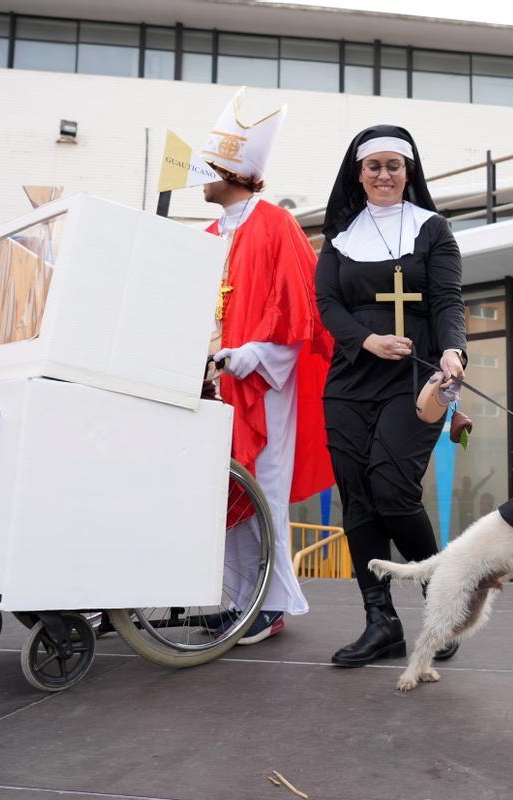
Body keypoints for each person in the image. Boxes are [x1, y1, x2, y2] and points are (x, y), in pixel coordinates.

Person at [315, 125, 467, 667]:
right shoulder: (338, 236)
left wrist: (453, 351)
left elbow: (449, 300)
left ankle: (442, 608)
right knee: (358, 499)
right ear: (358, 173)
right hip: (351, 381)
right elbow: (328, 305)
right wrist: (367, 339)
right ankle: (381, 622)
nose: (383, 175)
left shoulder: (432, 229)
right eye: (373, 166)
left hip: (416, 378)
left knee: (392, 488)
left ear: (409, 172)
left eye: (393, 166)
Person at [201, 88, 335, 644]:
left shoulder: (276, 225)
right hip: (211, 387)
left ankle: (272, 603)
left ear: (232, 171)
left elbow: (303, 310)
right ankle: (236, 597)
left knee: (264, 491)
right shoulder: (208, 235)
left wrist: (252, 355)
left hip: (262, 385)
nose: (199, 180)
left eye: (207, 169)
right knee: (221, 494)